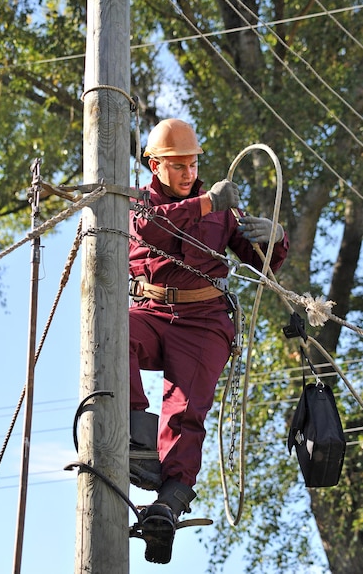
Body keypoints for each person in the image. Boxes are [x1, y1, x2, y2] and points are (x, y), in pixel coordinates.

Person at [128, 118, 289, 563]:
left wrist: (274, 237)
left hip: (204, 321)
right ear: (155, 165)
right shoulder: (138, 203)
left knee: (187, 410)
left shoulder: (221, 208)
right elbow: (151, 230)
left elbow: (259, 260)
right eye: (177, 165)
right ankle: (136, 440)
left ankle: (168, 502)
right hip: (153, 311)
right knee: (112, 335)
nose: (187, 172)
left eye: (192, 163)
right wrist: (204, 203)